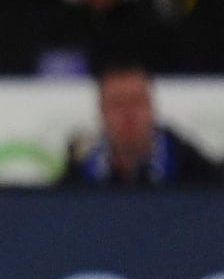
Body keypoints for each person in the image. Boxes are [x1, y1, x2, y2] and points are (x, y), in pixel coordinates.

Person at [58, 63, 222, 186]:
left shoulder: (191, 167)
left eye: (136, 102)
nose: (128, 114)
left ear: (152, 107)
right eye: (117, 103)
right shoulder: (80, 175)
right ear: (102, 112)